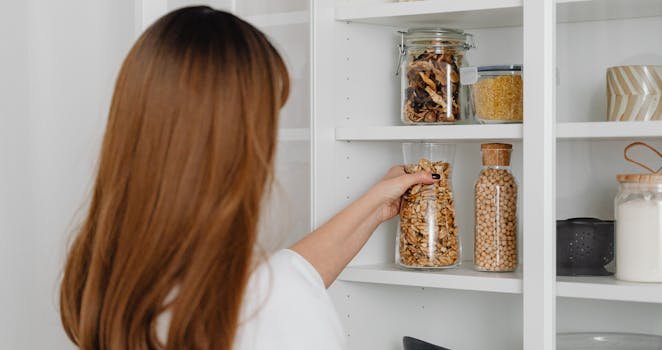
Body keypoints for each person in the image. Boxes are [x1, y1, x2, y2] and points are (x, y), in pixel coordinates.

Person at [59, 6, 437, 350]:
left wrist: (373, 206)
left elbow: (285, 276)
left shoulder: (105, 280)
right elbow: (273, 295)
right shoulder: (278, 306)